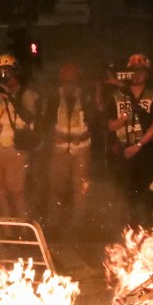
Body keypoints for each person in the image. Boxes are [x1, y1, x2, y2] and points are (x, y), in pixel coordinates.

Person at [106, 53, 153, 226]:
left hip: (145, 151)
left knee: (147, 192)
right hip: (124, 150)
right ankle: (127, 230)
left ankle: (148, 228)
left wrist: (139, 145)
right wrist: (121, 121)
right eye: (134, 70)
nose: (137, 74)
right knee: (124, 193)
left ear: (147, 73)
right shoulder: (117, 96)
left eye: (141, 71)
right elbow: (109, 125)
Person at [0, 54, 38, 217]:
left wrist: (11, 96)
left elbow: (30, 117)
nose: (3, 76)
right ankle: (7, 232)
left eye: (6, 72)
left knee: (17, 193)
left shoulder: (25, 93)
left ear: (15, 73)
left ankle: (23, 231)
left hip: (14, 149)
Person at [44, 62, 93, 232]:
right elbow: (47, 122)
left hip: (81, 150)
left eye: (72, 82)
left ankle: (79, 225)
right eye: (66, 82)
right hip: (59, 150)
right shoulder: (54, 98)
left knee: (80, 189)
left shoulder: (86, 98)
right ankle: (53, 224)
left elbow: (93, 121)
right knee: (56, 187)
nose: (69, 86)